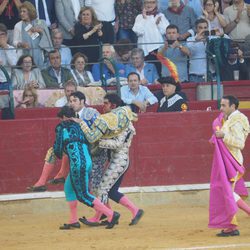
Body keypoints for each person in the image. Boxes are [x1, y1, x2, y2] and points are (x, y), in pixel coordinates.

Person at [75, 93, 144, 226]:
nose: (103, 106)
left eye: (106, 103)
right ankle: (135, 211)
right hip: (116, 160)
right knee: (111, 192)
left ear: (114, 105)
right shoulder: (114, 120)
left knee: (102, 189)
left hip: (120, 160)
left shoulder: (124, 123)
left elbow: (117, 144)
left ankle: (99, 216)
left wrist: (99, 141)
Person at [53, 105, 120, 230]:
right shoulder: (81, 126)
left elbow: (57, 150)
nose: (60, 121)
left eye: (60, 119)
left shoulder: (62, 128)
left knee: (83, 195)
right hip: (87, 162)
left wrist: (61, 150)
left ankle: (111, 214)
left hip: (78, 165)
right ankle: (73, 221)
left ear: (64, 117)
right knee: (69, 189)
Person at [27, 91, 100, 192]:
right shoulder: (71, 114)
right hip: (79, 147)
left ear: (82, 101)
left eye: (75, 100)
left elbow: (99, 132)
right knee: (58, 149)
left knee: (93, 189)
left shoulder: (91, 113)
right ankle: (49, 179)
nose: (72, 103)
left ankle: (54, 177)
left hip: (91, 147)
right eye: (70, 101)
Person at [209, 95, 250, 237]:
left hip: (233, 162)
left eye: (224, 105)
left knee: (227, 192)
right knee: (227, 191)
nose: (221, 108)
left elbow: (240, 143)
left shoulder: (237, 121)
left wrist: (223, 136)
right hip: (229, 161)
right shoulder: (230, 118)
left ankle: (232, 227)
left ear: (233, 106)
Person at [13, 1, 53, 68]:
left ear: (30, 12)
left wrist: (41, 31)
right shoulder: (18, 25)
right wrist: (21, 44)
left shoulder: (39, 23)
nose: (21, 13)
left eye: (24, 11)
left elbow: (47, 39)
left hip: (39, 55)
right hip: (24, 56)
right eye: (21, 12)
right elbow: (14, 42)